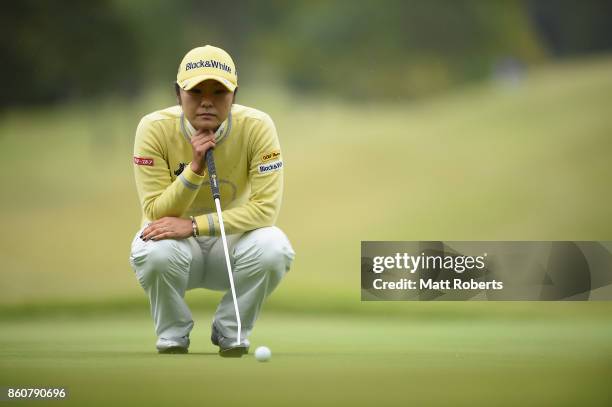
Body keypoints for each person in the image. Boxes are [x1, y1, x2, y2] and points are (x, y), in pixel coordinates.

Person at [129, 45, 295, 357]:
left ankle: (230, 329)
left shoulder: (257, 126)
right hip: (175, 254)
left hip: (230, 249)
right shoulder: (153, 128)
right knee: (155, 250)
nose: (207, 101)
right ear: (178, 95)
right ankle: (172, 334)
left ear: (235, 95)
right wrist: (194, 169)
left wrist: (193, 225)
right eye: (196, 91)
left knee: (275, 247)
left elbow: (265, 209)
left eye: (219, 92)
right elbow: (154, 211)